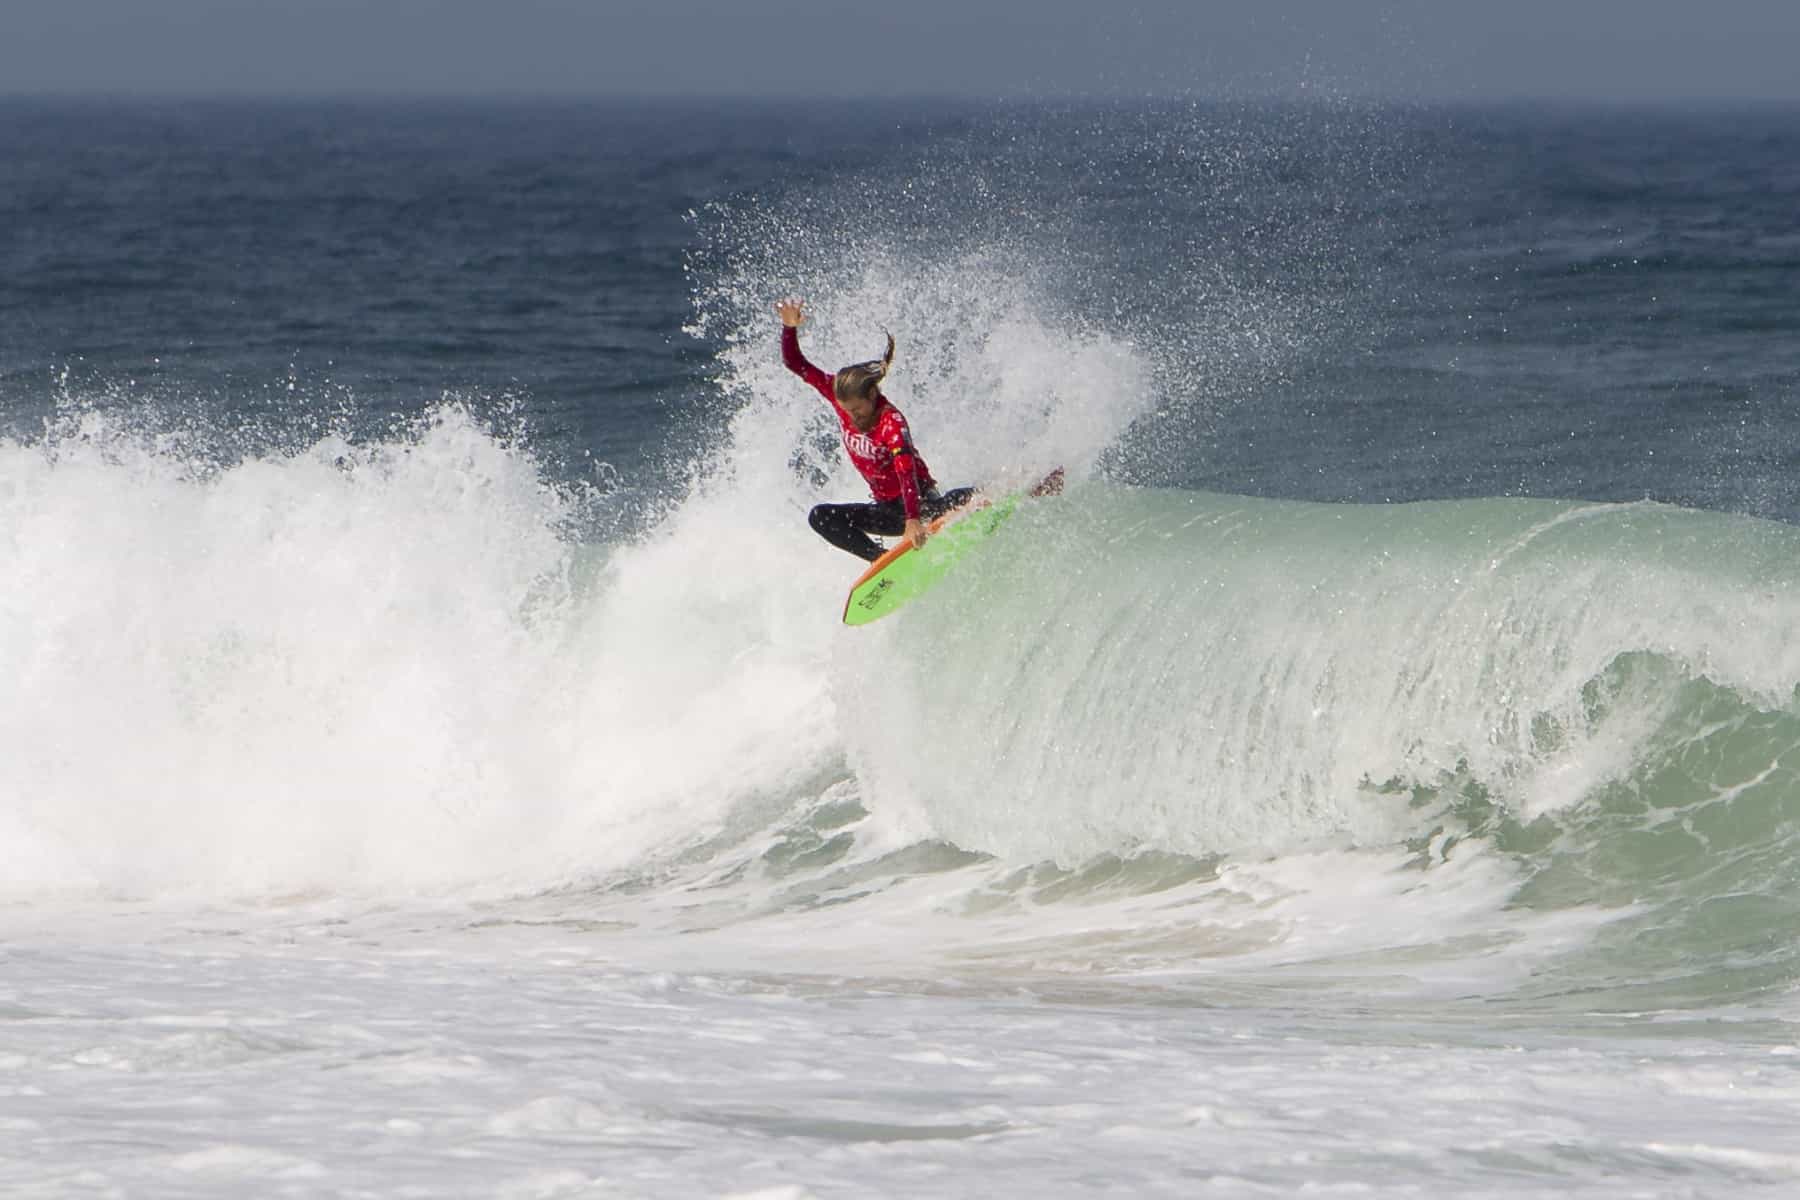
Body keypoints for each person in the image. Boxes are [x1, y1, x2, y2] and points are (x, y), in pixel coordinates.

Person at [777, 297, 976, 562]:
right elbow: (795, 364)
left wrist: (913, 520)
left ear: (872, 395)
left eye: (857, 411)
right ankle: (882, 560)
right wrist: (789, 328)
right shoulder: (841, 397)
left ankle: (989, 494)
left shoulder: (891, 422)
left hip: (917, 502)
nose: (853, 418)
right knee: (821, 516)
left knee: (948, 505)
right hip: (887, 510)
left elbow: (906, 471)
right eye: (847, 412)